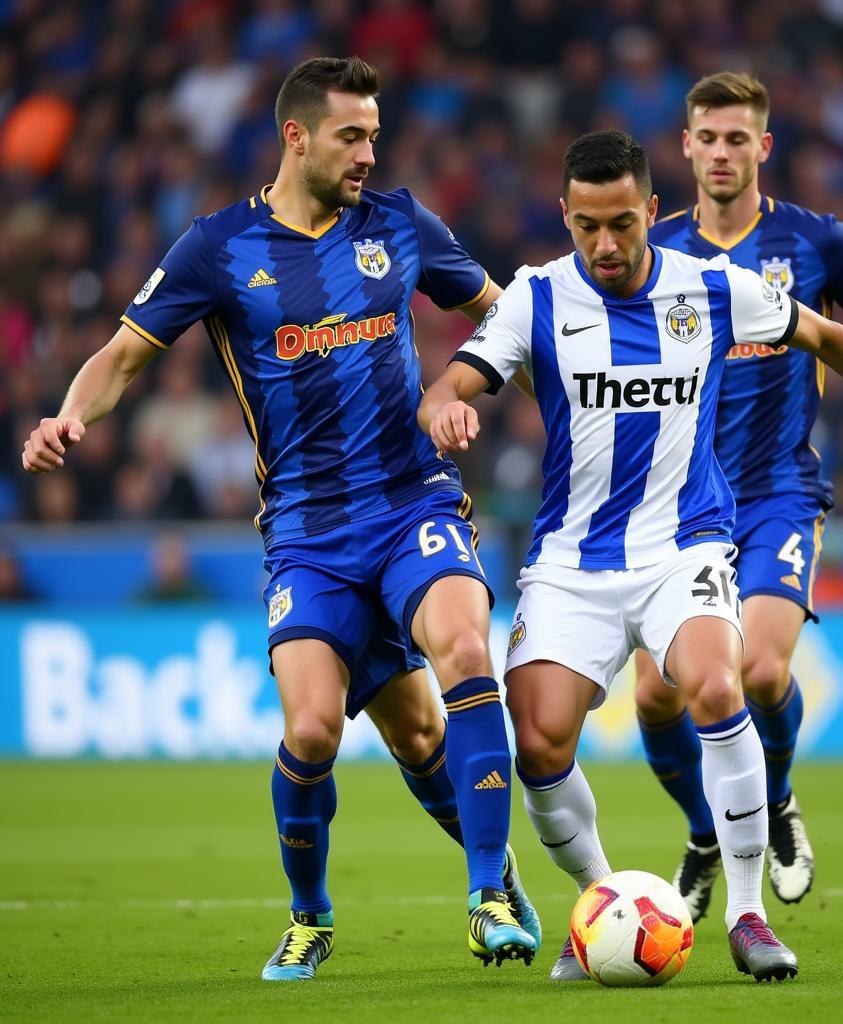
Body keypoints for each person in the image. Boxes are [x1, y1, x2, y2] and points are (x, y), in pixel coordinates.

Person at [418, 130, 843, 984]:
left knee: (721, 684)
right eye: (586, 228)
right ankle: (603, 905)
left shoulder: (711, 287)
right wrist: (447, 410)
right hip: (572, 560)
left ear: (651, 211)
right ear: (565, 218)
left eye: (621, 225)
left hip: (684, 544)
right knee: (536, 743)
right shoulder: (536, 296)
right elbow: (454, 378)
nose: (605, 246)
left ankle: (749, 915)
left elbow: (832, 339)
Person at [21, 56, 539, 979]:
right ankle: (310, 916)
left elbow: (507, 319)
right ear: (295, 135)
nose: (369, 153)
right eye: (351, 135)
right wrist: (69, 414)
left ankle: (490, 887)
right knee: (328, 734)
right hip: (306, 530)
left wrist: (500, 389)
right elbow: (122, 358)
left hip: (409, 498)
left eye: (375, 135)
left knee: (466, 646)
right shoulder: (217, 248)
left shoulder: (401, 223)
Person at [634, 71, 843, 922]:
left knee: (763, 671)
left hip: (775, 491)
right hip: (678, 507)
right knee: (657, 698)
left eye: (740, 139)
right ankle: (705, 833)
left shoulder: (817, 242)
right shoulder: (655, 252)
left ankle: (776, 801)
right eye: (709, 137)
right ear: (686, 146)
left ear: (764, 147)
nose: (723, 152)